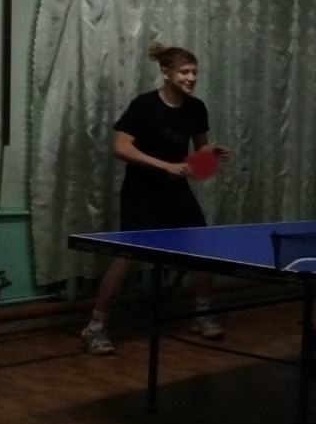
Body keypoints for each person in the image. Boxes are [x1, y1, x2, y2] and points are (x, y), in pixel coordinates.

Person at [80, 43, 232, 355]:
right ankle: (94, 327)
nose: (191, 78)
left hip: (176, 192)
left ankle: (203, 314)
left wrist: (209, 154)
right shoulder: (144, 106)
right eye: (184, 72)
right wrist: (165, 166)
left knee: (202, 249)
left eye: (194, 72)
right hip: (141, 193)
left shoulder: (196, 108)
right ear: (166, 72)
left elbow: (199, 156)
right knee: (127, 257)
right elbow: (120, 147)